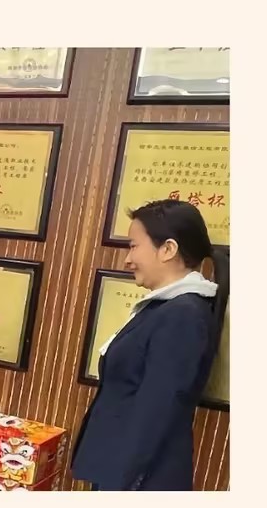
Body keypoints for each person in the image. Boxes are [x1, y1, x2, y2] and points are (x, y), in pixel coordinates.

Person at [71, 199, 230, 491]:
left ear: (168, 249)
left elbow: (156, 412)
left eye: (134, 246)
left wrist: (124, 483)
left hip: (140, 479)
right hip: (125, 470)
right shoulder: (166, 308)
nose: (127, 259)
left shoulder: (183, 316)